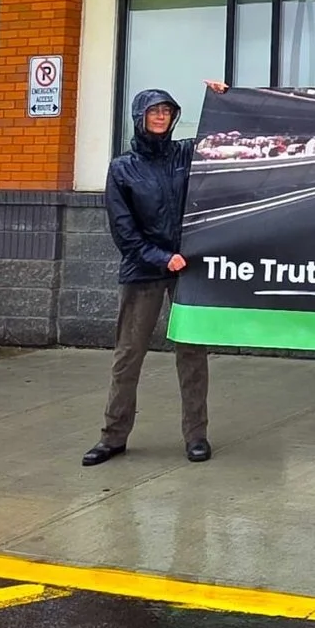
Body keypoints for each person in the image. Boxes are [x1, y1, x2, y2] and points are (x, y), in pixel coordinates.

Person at [84, 87, 212, 467]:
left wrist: (223, 97)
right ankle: (113, 436)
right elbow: (124, 233)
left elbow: (220, 134)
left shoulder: (185, 154)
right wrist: (161, 258)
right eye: (153, 112)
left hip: (187, 271)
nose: (160, 117)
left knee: (192, 355)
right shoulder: (122, 168)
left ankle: (196, 435)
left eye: (167, 112)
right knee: (128, 357)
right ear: (139, 117)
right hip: (143, 272)